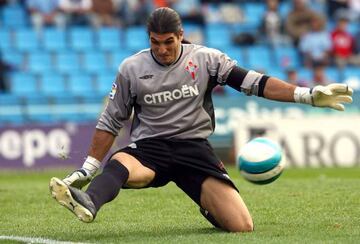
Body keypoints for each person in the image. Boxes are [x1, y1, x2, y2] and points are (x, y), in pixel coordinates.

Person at [49, 7, 353, 232]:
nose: (162, 49)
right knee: (121, 166)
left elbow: (256, 83)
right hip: (149, 149)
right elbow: (111, 120)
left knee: (241, 226)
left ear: (181, 36)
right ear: (149, 39)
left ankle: (209, 206)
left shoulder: (207, 59)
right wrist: (89, 166)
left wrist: (308, 95)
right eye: (155, 42)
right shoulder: (131, 68)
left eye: (169, 41)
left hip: (194, 148)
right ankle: (88, 201)